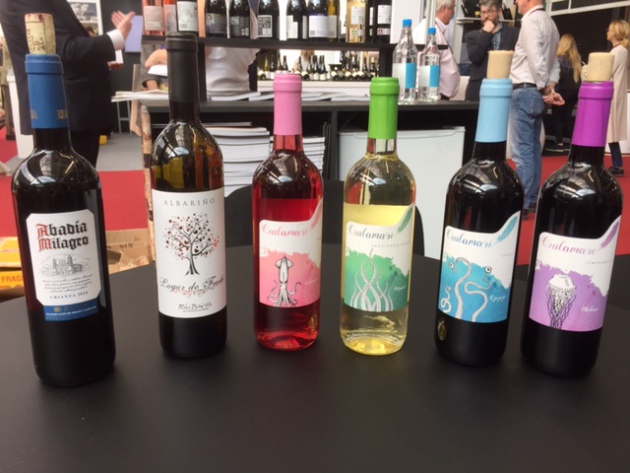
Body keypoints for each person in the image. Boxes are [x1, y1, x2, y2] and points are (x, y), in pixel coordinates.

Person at [0, 1, 135, 167]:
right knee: (70, 176)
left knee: (79, 174)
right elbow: (65, 50)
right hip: (59, 107)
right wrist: (117, 37)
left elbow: (61, 50)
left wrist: (100, 58)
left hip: (69, 107)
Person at [508, 0, 562, 218]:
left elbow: (536, 60)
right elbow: (554, 63)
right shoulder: (550, 23)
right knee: (532, 150)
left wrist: (545, 89)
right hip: (535, 92)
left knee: (523, 152)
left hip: (525, 91)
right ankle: (529, 200)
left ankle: (523, 203)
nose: (516, 2)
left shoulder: (530, 21)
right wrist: (549, 88)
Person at [145, 47, 258, 97]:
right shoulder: (249, 14)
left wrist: (159, 55)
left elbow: (197, 51)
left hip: (207, 99)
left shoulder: (203, 7)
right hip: (242, 95)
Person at [464, 0, 520, 101]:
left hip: (505, 88)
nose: (485, 16)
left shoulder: (514, 33)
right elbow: (475, 57)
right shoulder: (472, 36)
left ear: (499, 12)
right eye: (483, 12)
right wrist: (486, 33)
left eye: (490, 11)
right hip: (478, 90)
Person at [412, 0, 461, 100]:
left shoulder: (435, 29)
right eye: (452, 8)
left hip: (435, 96)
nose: (453, 12)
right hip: (430, 97)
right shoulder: (427, 31)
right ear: (443, 9)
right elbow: (422, 69)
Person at [547, 34, 582, 153]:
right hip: (575, 92)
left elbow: (557, 77)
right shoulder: (577, 59)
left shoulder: (559, 58)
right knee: (567, 117)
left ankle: (559, 143)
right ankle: (573, 144)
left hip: (563, 91)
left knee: (557, 117)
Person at [606, 19, 629, 177]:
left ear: (615, 33)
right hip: (615, 92)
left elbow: (606, 72)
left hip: (611, 94)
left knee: (610, 131)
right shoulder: (621, 50)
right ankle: (617, 164)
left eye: (609, 30)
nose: (607, 32)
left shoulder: (618, 51)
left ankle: (618, 165)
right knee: (611, 132)